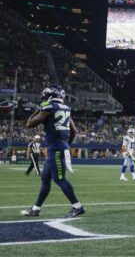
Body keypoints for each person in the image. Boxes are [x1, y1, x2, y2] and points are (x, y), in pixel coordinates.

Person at [21, 85, 85, 218]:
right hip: (57, 148)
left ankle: (78, 206)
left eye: (45, 95)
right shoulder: (66, 109)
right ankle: (36, 209)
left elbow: (30, 124)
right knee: (45, 179)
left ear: (51, 95)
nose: (43, 97)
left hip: (55, 149)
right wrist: (66, 144)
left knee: (59, 179)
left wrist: (36, 111)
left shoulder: (48, 108)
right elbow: (74, 131)